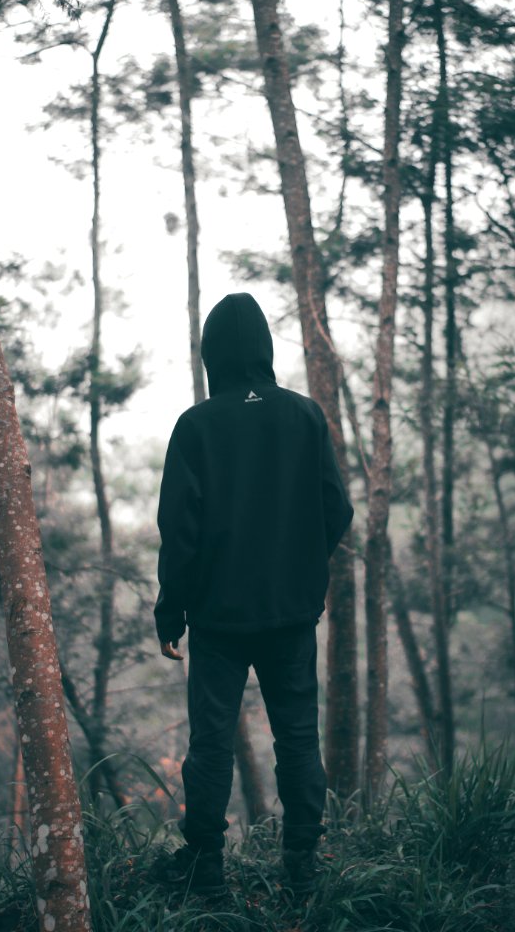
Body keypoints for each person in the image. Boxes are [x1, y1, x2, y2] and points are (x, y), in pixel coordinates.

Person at [154, 292, 353, 895]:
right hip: (291, 615)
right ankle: (302, 867)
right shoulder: (304, 415)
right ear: (264, 349)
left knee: (210, 743)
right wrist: (297, 566)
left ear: (213, 354)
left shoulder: (197, 426)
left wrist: (172, 611)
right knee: (297, 737)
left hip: (217, 619)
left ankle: (207, 870)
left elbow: (179, 529)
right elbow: (336, 510)